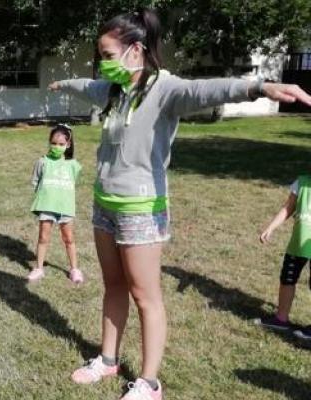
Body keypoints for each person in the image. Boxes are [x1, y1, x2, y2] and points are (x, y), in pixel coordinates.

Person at [48, 8, 311, 400]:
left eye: (106, 55)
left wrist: (260, 87)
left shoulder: (166, 90)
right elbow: (86, 85)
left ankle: (150, 383)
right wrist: (61, 83)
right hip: (104, 204)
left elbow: (207, 91)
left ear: (135, 50)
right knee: (113, 286)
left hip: (141, 208)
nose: (101, 65)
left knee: (145, 294)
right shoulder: (113, 90)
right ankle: (107, 359)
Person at [256, 175, 311, 341]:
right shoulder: (301, 183)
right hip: (297, 245)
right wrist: (270, 228)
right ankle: (281, 319)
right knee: (287, 278)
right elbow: (288, 208)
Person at [28, 124, 84, 284]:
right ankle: (39, 268)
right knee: (43, 237)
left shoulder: (73, 165)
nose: (57, 147)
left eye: (61, 144)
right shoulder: (42, 162)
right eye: (53, 143)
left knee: (69, 238)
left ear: (68, 145)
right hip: (47, 206)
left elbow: (72, 182)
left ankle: (74, 269)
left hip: (65, 207)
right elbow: (35, 182)